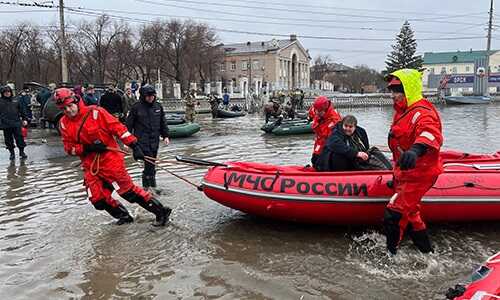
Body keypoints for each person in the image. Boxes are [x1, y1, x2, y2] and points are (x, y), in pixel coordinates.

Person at [54, 87, 171, 226]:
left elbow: (119, 129)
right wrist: (86, 148)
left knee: (128, 192)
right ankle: (124, 216)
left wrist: (134, 145)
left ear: (76, 101)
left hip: (110, 161)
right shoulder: (63, 124)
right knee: (97, 199)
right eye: (64, 108)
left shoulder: (96, 113)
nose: (68, 110)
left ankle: (161, 212)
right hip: (91, 166)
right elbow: (69, 148)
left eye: (69, 106)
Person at [383, 69, 443, 255]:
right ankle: (427, 252)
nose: (393, 95)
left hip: (419, 173)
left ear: (408, 90)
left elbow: (430, 132)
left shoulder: (421, 112)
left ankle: (390, 257)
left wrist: (416, 150)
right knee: (412, 214)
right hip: (407, 172)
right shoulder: (403, 111)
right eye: (392, 91)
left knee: (394, 214)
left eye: (396, 91)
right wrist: (397, 176)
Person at [126, 85, 169, 189]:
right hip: (141, 140)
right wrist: (126, 142)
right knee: (149, 163)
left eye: (152, 96)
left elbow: (163, 122)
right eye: (148, 96)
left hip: (154, 140)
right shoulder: (136, 107)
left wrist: (166, 135)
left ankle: (151, 187)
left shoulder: (158, 106)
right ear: (143, 96)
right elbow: (129, 124)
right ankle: (148, 187)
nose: (150, 98)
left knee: (152, 163)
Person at [310, 96, 342, 169]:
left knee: (321, 163)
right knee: (314, 160)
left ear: (325, 110)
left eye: (319, 111)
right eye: (316, 110)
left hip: (327, 145)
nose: (317, 113)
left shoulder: (334, 120)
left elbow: (330, 140)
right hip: (318, 142)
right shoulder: (316, 110)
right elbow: (312, 112)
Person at [0, 85, 28, 160]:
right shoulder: (0, 101)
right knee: (8, 140)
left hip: (16, 123)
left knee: (20, 138)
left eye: (8, 92)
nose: (7, 93)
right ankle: (12, 153)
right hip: (6, 124)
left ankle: (22, 152)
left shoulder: (16, 100)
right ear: (2, 93)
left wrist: (25, 119)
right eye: (5, 92)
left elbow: (22, 110)